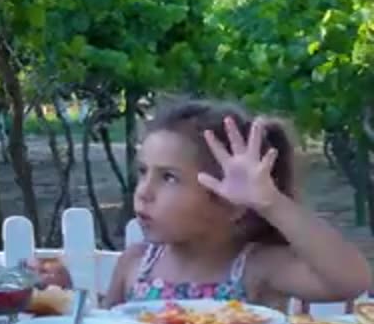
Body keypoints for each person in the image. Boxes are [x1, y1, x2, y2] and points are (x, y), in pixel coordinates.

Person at [104, 99, 372, 309]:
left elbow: (352, 282)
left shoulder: (256, 268)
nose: (143, 192)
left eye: (169, 178)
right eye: (142, 172)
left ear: (232, 203)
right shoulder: (135, 264)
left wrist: (271, 203)